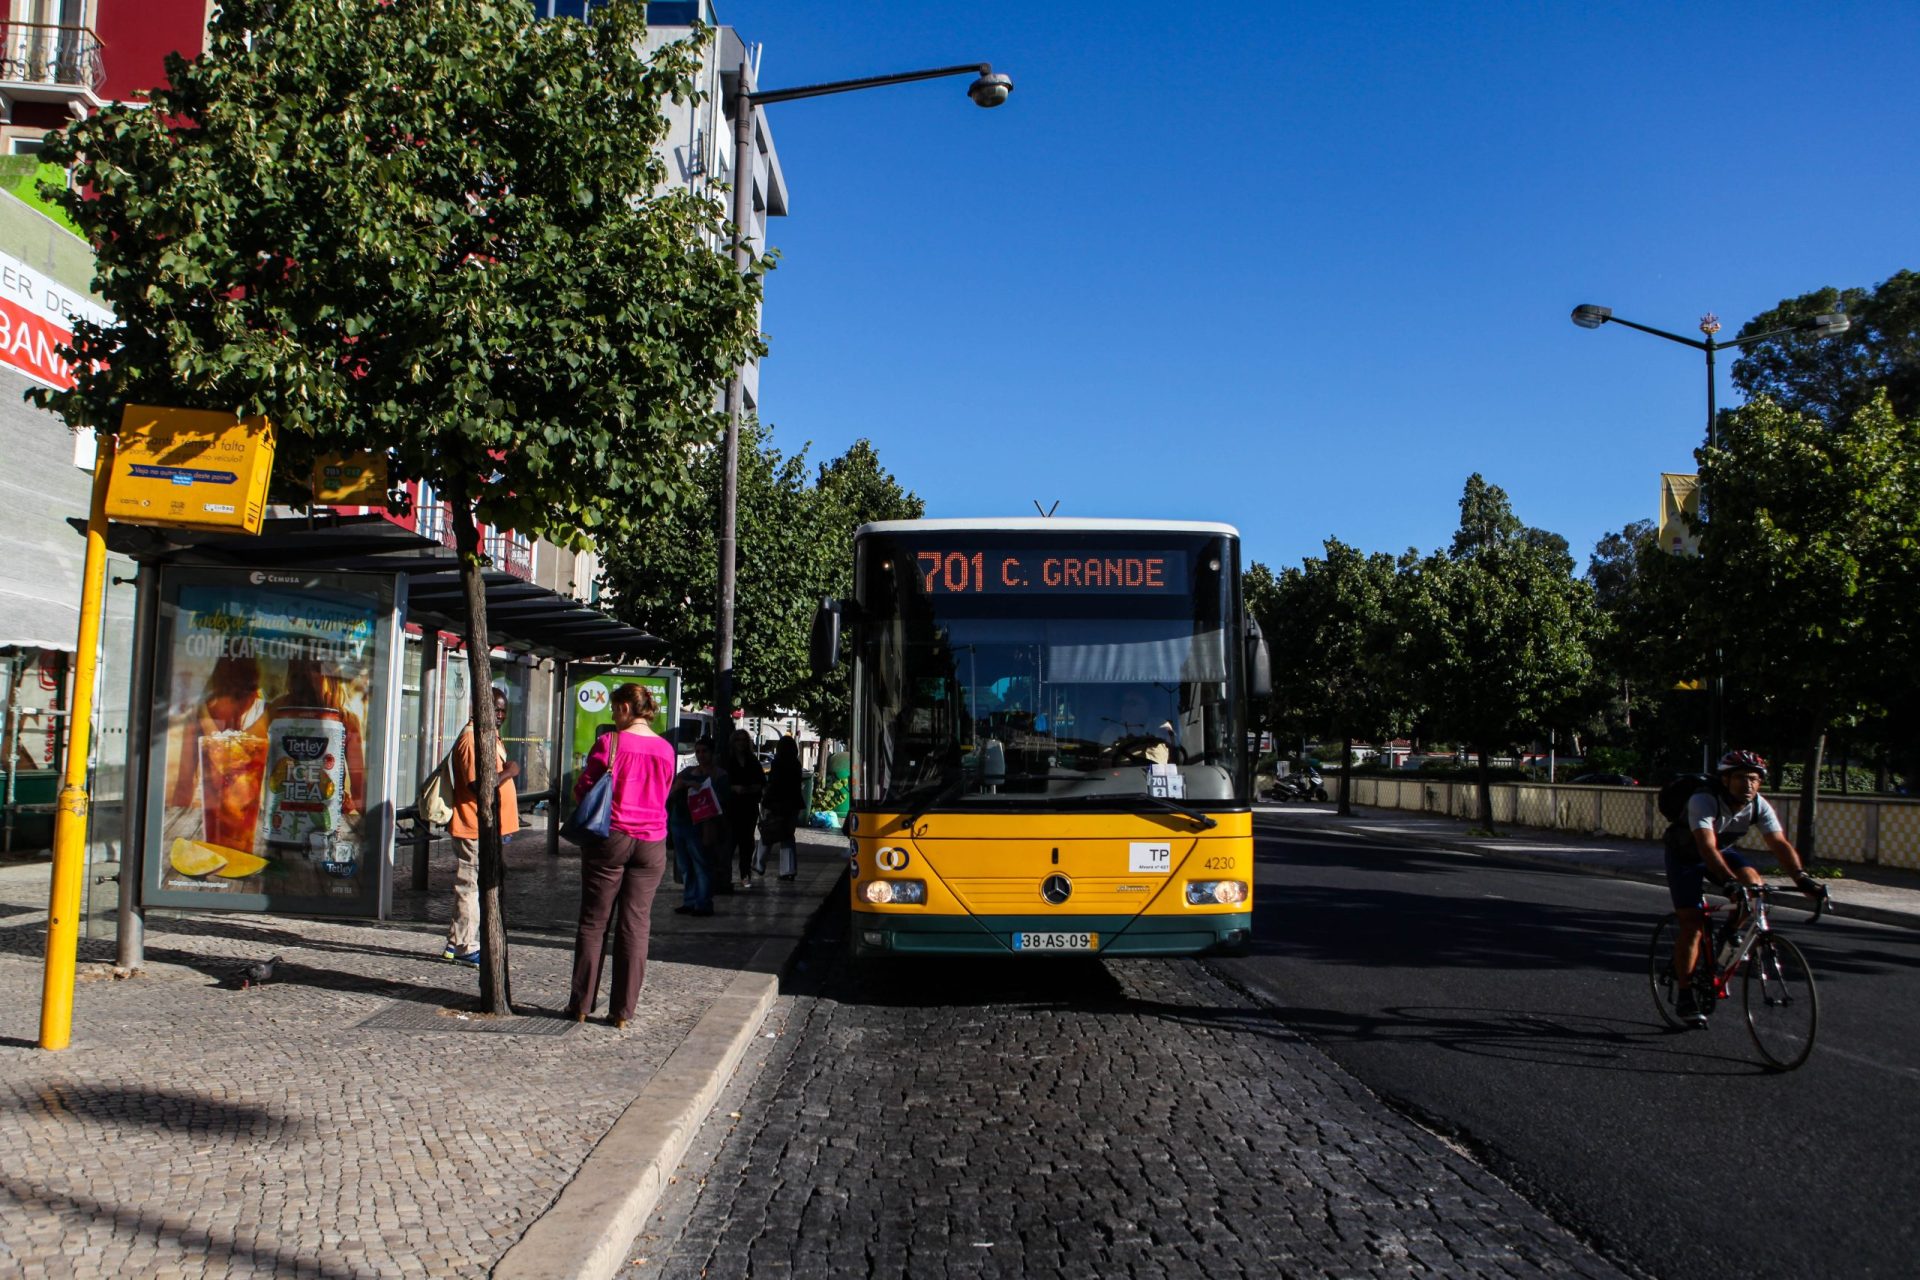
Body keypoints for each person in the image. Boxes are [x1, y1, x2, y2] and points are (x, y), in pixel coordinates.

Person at [1663, 748, 1822, 1028]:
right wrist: (1728, 883)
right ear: (1725, 780)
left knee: (1755, 885)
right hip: (1687, 856)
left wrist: (1802, 879)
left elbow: (1779, 844)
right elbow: (1705, 846)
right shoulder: (1703, 799)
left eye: (1754, 779)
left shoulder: (1758, 805)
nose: (1748, 785)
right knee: (1693, 924)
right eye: (1740, 778)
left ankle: (1730, 930)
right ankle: (1686, 993)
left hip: (1723, 851)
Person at [565, 682, 675, 1028]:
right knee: (636, 926)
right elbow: (666, 790)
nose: (612, 715)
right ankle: (623, 1013)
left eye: (614, 709)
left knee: (594, 923)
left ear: (627, 708)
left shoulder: (609, 742)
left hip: (610, 838)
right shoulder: (665, 750)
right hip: (652, 842)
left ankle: (581, 1004)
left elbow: (584, 788)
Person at [443, 687, 521, 966]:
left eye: (503, 710)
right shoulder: (471, 739)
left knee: (473, 884)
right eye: (494, 709)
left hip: (484, 827)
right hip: (472, 826)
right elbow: (478, 786)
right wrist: (510, 772)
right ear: (479, 708)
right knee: (470, 887)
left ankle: (456, 941)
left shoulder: (487, 736)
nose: (499, 715)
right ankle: (465, 946)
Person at [667, 738, 719, 916]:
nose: (701, 755)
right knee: (685, 866)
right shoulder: (687, 772)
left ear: (712, 753)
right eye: (698, 751)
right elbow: (672, 791)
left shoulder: (717, 775)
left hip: (699, 825)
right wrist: (687, 785)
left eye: (705, 751)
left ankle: (703, 903)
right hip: (679, 822)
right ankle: (689, 900)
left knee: (701, 865)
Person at [722, 729, 765, 889]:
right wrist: (734, 788)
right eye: (737, 740)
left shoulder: (753, 761)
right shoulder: (727, 761)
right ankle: (725, 876)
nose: (741, 743)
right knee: (730, 842)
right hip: (731, 807)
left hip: (749, 807)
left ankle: (745, 874)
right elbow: (723, 783)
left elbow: (761, 782)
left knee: (747, 843)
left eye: (743, 740)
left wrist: (750, 789)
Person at [759, 736, 805, 882]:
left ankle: (758, 864)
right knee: (788, 836)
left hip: (776, 803)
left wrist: (766, 803)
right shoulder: (796, 764)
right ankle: (788, 870)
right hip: (792, 805)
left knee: (768, 833)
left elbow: (774, 785)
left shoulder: (777, 763)